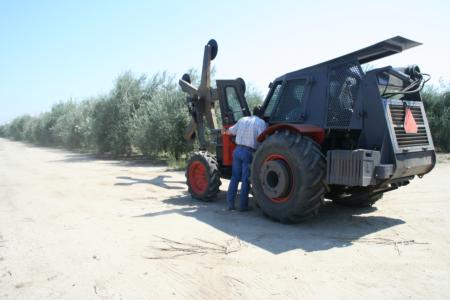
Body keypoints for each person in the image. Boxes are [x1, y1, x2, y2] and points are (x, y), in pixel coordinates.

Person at [226, 105, 267, 211]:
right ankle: (243, 206)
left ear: (253, 112)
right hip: (248, 153)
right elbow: (262, 138)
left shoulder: (242, 119)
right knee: (245, 180)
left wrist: (224, 131)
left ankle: (230, 204)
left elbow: (230, 131)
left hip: (237, 151)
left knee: (235, 177)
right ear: (262, 114)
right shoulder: (261, 123)